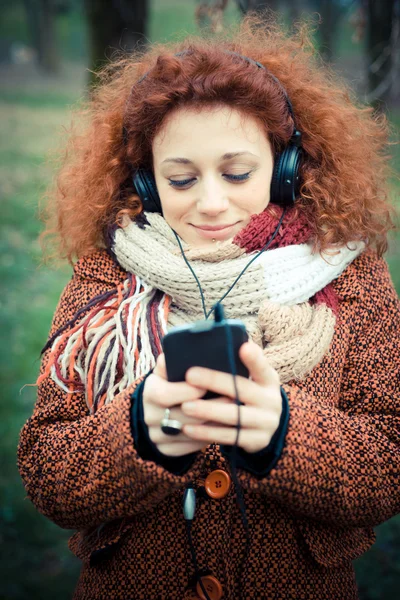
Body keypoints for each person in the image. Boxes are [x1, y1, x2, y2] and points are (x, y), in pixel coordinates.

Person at [18, 16, 400, 600]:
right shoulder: (110, 269)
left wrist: (284, 433)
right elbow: (48, 475)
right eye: (180, 179)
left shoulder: (351, 271)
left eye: (238, 172)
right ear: (147, 186)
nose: (212, 202)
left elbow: (387, 466)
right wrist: (140, 434)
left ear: (286, 165)